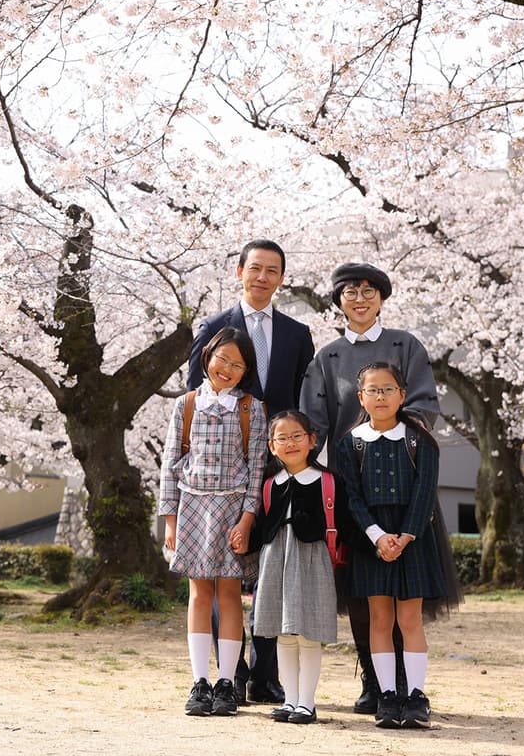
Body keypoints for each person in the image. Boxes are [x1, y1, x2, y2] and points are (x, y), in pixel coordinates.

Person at [299, 261, 450, 715]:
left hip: (405, 486)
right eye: (350, 292)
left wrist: (393, 435)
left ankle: (408, 685)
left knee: (406, 593)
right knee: (365, 592)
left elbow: (424, 405)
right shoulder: (326, 357)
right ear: (338, 300)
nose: (360, 299)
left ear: (382, 297)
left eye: (369, 291)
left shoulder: (406, 345)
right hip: (352, 489)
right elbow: (314, 420)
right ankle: (374, 680)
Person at [187, 239, 314, 704]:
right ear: (239, 271)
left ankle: (266, 672)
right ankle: (229, 673)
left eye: (272, 270)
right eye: (254, 268)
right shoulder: (214, 326)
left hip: (278, 464)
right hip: (221, 471)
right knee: (221, 569)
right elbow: (194, 396)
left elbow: (301, 403)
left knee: (271, 567)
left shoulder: (298, 334)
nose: (262, 277)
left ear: (281, 278)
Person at [160, 327, 269, 717]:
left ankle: (226, 681)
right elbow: (170, 465)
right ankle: (199, 682)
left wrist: (247, 520)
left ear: (246, 372)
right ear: (207, 356)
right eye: (222, 358)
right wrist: (169, 520)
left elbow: (257, 471)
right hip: (191, 507)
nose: (227, 368)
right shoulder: (186, 404)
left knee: (230, 595)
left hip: (232, 511)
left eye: (237, 364)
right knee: (198, 595)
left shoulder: (252, 409)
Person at [333, 362, 446, 729]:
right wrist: (377, 536)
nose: (380, 396)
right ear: (360, 397)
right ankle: (387, 695)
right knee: (379, 619)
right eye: (372, 390)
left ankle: (415, 696)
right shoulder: (349, 443)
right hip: (372, 543)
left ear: (402, 394)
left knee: (409, 619)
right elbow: (351, 497)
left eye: (388, 389)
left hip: (413, 540)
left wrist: (406, 535)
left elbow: (425, 493)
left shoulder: (421, 441)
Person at [248, 411, 337, 725]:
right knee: (283, 634)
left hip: (311, 561)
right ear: (272, 446)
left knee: (308, 634)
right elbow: (262, 526)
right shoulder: (271, 484)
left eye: (297, 436)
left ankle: (308, 703)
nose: (290, 443)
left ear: (312, 440)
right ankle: (290, 700)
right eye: (281, 438)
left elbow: (343, 523)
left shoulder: (327, 481)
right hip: (276, 560)